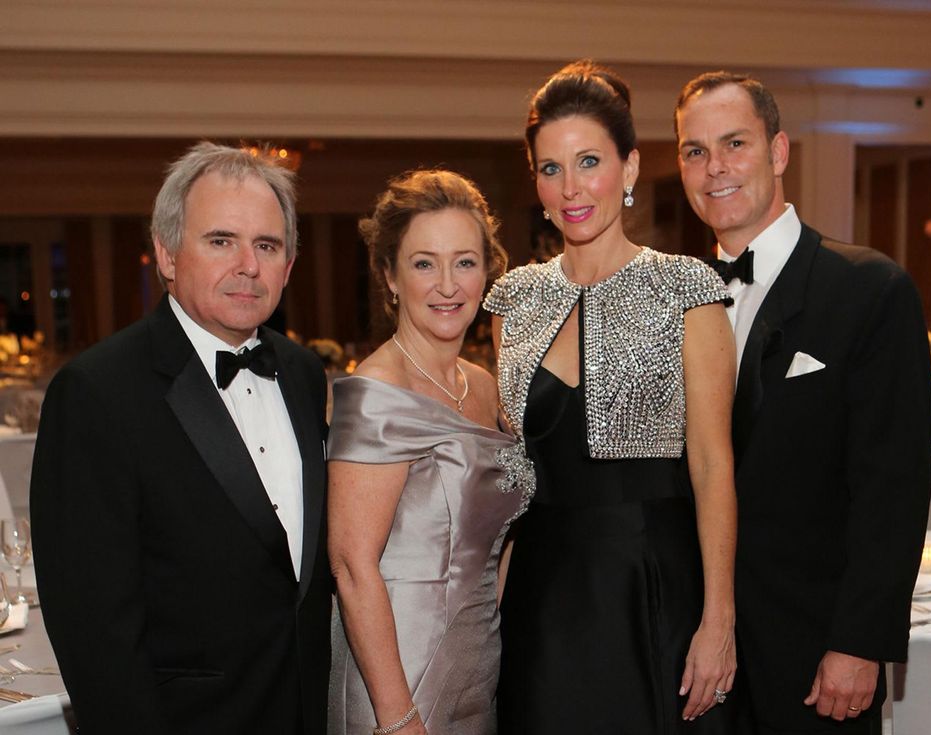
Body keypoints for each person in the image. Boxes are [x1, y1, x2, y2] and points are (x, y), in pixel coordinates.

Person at [30, 142, 331, 735]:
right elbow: (94, 630)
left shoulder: (302, 373)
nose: (248, 265)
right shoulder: (96, 392)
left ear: (289, 265)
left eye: (267, 245)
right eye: (221, 241)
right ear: (167, 255)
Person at [674, 71, 931, 734]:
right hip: (694, 655)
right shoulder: (674, 301)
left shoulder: (868, 290)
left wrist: (859, 642)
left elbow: (893, 486)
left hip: (816, 654)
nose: (714, 167)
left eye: (734, 143)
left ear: (779, 151)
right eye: (695, 151)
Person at [486, 59, 738, 734]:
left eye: (589, 161)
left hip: (653, 590)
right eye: (551, 168)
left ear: (629, 169)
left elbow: (713, 467)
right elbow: (515, 470)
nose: (570, 187)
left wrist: (719, 621)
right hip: (542, 598)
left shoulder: (687, 290)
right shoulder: (514, 300)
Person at [327, 169, 530, 734]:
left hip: (478, 669)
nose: (447, 285)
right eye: (424, 264)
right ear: (389, 276)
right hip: (396, 684)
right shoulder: (378, 392)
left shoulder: (485, 386)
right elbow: (351, 565)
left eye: (464, 262)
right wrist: (398, 719)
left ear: (487, 272)